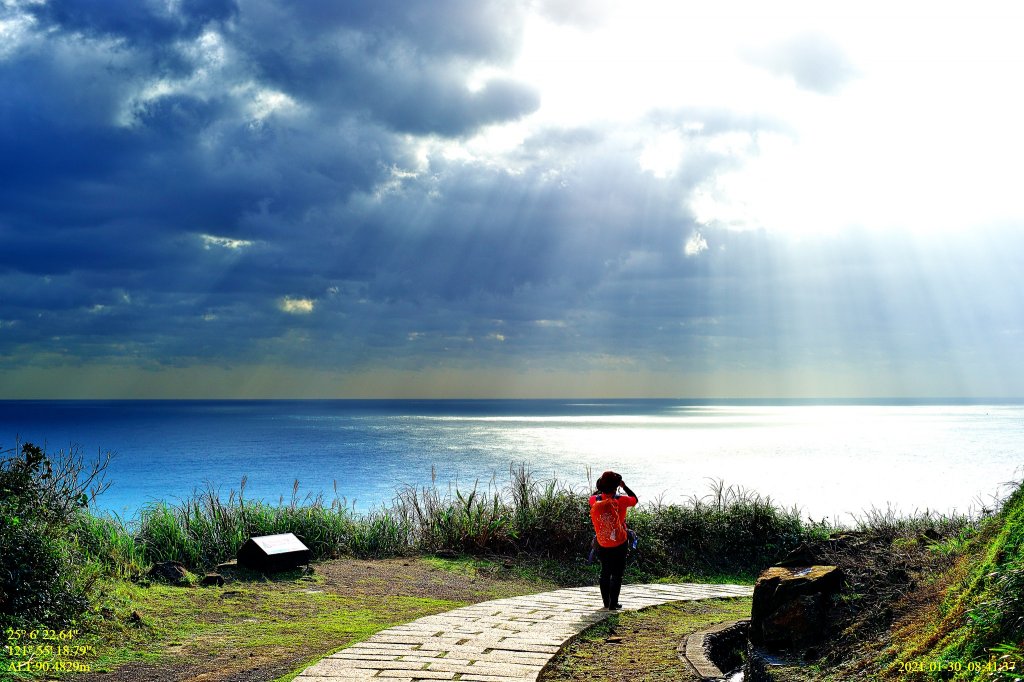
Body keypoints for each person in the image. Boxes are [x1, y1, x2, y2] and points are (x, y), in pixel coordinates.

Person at [589, 470, 637, 610]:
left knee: (605, 571)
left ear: (601, 486)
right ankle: (613, 603)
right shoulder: (622, 500)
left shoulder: (594, 501)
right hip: (619, 542)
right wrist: (624, 486)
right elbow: (635, 499)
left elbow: (593, 496)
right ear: (616, 486)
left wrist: (602, 488)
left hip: (602, 541)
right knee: (617, 573)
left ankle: (606, 603)